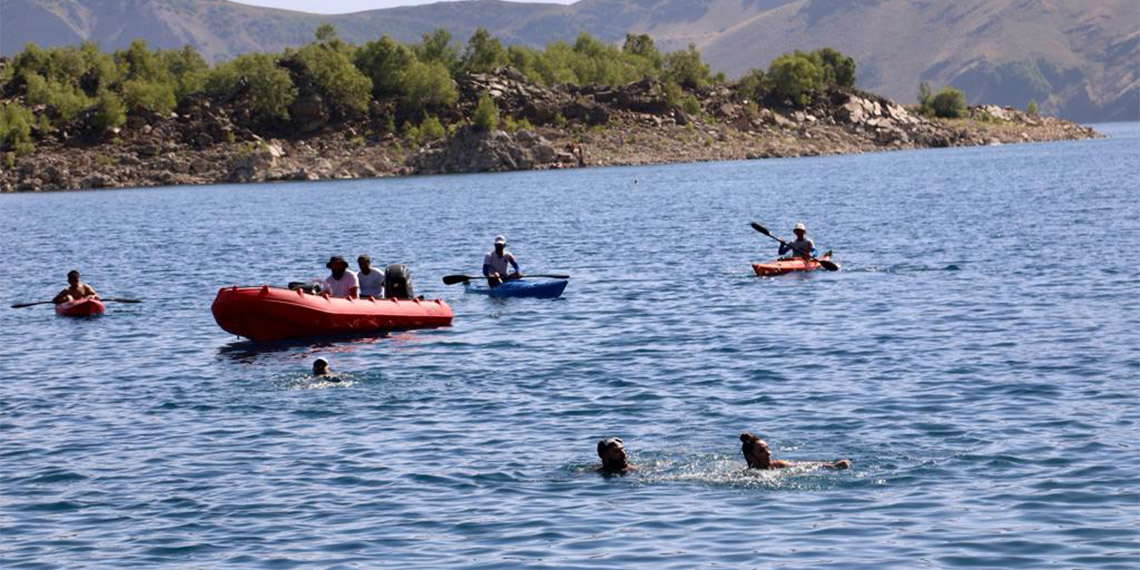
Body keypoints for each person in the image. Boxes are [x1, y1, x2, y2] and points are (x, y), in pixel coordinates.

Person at [740, 432, 849, 470]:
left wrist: (834, 465)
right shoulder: (746, 476)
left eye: (767, 448)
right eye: (762, 451)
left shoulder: (779, 465)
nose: (768, 453)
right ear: (750, 457)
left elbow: (806, 465)